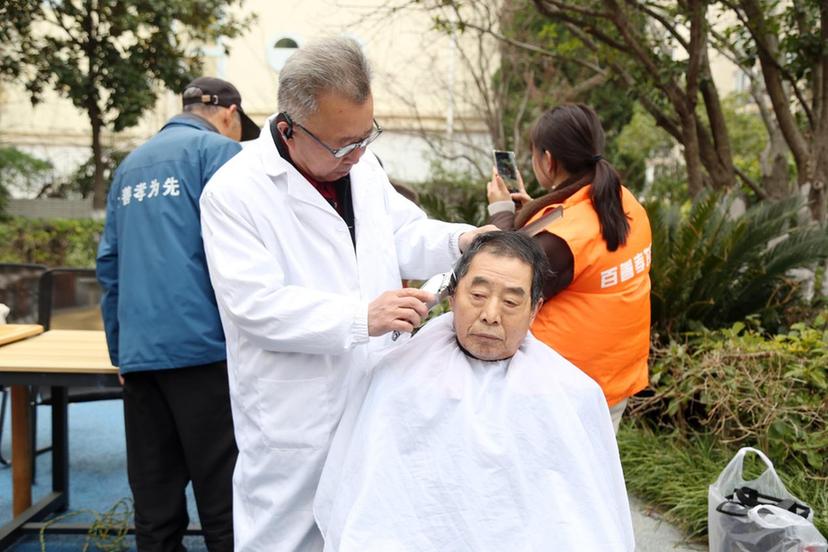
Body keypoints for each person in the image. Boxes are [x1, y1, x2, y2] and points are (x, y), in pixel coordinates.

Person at [199, 37, 493, 552]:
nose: (357, 154)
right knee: (286, 538)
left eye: (366, 137)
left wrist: (459, 239)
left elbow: (402, 233)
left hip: (376, 394)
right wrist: (363, 318)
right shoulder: (234, 191)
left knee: (370, 529)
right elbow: (255, 306)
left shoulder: (361, 168)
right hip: (296, 414)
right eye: (342, 144)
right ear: (289, 129)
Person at [314, 231, 635, 551]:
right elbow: (366, 509)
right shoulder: (397, 378)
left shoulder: (572, 394)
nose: (490, 316)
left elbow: (586, 522)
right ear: (453, 296)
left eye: (511, 302)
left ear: (535, 309)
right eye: (478, 296)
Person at [96, 76, 259, 551]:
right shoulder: (220, 155)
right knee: (226, 504)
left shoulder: (130, 165)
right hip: (206, 354)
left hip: (142, 358)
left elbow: (110, 265)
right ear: (229, 113)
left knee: (155, 508)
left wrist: (121, 352)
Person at [487, 104, 652, 433]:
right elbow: (583, 242)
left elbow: (502, 274)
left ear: (548, 160)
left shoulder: (563, 240)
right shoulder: (623, 202)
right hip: (613, 378)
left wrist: (501, 211)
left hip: (567, 391)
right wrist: (532, 209)